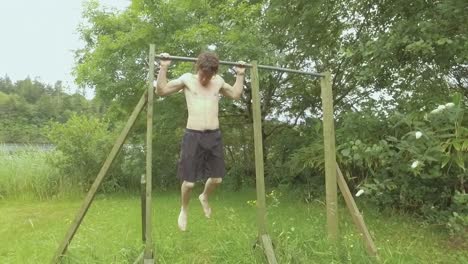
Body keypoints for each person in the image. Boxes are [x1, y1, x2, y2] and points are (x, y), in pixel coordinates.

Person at [155, 52, 245, 231]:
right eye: (203, 75)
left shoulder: (218, 82)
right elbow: (161, 91)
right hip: (193, 136)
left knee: (217, 179)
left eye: (209, 76)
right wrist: (163, 67)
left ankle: (204, 197)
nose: (205, 79)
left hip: (214, 136)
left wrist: (240, 74)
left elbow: (235, 94)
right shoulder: (187, 79)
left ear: (214, 73)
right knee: (188, 182)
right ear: (198, 69)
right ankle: (184, 209)